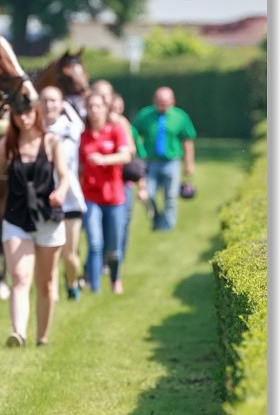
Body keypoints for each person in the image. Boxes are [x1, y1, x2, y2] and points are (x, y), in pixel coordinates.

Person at [0, 99, 69, 347]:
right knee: (19, 276)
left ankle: (42, 337)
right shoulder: (8, 144)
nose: (23, 117)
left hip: (47, 217)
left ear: (35, 113)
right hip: (16, 218)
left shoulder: (51, 142)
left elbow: (65, 175)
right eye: (17, 113)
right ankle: (18, 333)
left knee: (46, 283)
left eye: (27, 112)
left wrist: (61, 192)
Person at [78, 93, 131, 295]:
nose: (94, 110)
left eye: (98, 106)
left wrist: (104, 159)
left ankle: (115, 280)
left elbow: (126, 155)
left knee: (113, 248)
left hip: (115, 197)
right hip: (91, 196)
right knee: (94, 243)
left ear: (105, 109)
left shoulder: (115, 131)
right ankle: (95, 288)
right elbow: (80, 167)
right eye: (90, 106)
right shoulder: (83, 136)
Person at [40, 85, 86, 302]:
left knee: (69, 255)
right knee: (49, 253)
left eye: (54, 101)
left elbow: (80, 122)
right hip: (43, 198)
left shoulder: (70, 128)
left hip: (70, 199)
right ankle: (52, 293)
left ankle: (72, 282)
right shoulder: (34, 131)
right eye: (45, 101)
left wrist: (67, 104)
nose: (49, 105)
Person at [132, 86, 197, 231]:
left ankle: (167, 226)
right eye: (160, 101)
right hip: (150, 162)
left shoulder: (180, 116)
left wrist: (189, 164)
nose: (163, 105)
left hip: (171, 162)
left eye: (166, 102)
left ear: (173, 101)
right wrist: (138, 152)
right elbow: (133, 133)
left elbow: (187, 141)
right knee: (148, 194)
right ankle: (157, 219)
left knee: (171, 196)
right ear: (154, 101)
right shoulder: (145, 115)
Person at [110, 92, 147, 264]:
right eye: (113, 108)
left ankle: (119, 257)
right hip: (106, 183)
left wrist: (142, 185)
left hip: (125, 181)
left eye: (119, 108)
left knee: (124, 221)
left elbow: (137, 157)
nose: (116, 112)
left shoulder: (127, 127)